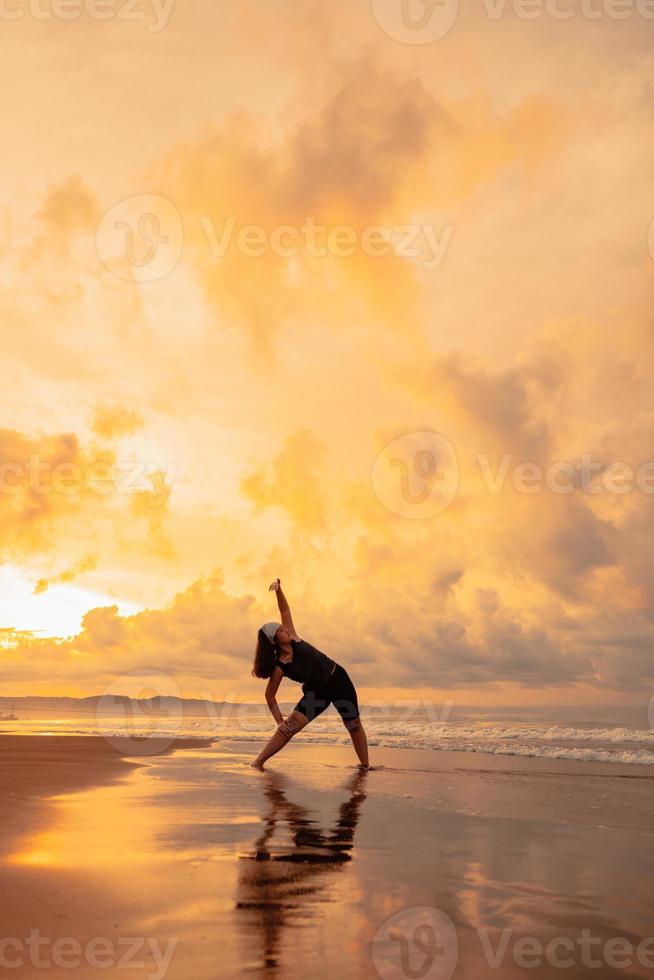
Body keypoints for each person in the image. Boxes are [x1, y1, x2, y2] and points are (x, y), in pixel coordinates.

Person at [250, 579, 369, 770]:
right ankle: (258, 762)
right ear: (275, 641)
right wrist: (279, 721)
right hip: (316, 693)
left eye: (283, 627)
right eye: (280, 630)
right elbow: (269, 695)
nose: (285, 629)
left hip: (338, 680)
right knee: (289, 727)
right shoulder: (281, 667)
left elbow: (285, 612)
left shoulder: (294, 638)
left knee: (353, 725)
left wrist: (279, 591)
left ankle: (364, 766)